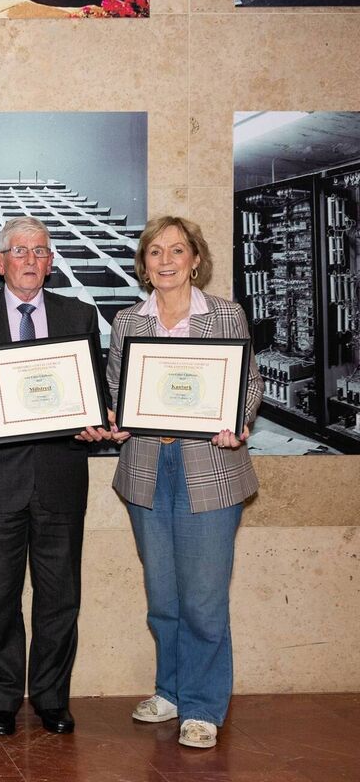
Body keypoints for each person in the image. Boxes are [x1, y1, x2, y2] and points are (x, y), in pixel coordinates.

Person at [0, 216, 107, 737]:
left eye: (40, 251)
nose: (30, 260)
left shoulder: (79, 314)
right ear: (0, 262)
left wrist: (92, 421)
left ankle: (52, 697)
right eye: (19, 251)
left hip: (60, 476)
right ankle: (0, 699)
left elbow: (95, 393)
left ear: (51, 262)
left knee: (61, 596)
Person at [106, 215, 261, 750]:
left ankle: (201, 706)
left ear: (196, 258)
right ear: (144, 264)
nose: (166, 260)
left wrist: (237, 423)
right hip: (148, 469)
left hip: (210, 469)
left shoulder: (226, 314)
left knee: (202, 599)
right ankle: (169, 691)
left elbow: (248, 382)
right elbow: (117, 386)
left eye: (177, 250)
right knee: (163, 598)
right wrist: (111, 415)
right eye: (155, 252)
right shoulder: (128, 321)